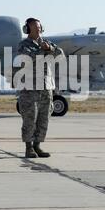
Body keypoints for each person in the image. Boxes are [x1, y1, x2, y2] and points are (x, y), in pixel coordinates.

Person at [17, 18, 65, 158]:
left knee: (44, 117)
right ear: (27, 29)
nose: (38, 29)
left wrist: (50, 49)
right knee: (30, 117)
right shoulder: (23, 45)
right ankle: (28, 147)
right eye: (34, 27)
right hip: (30, 88)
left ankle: (37, 145)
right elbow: (26, 58)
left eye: (39, 27)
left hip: (46, 86)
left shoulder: (47, 43)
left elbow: (61, 56)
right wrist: (42, 50)